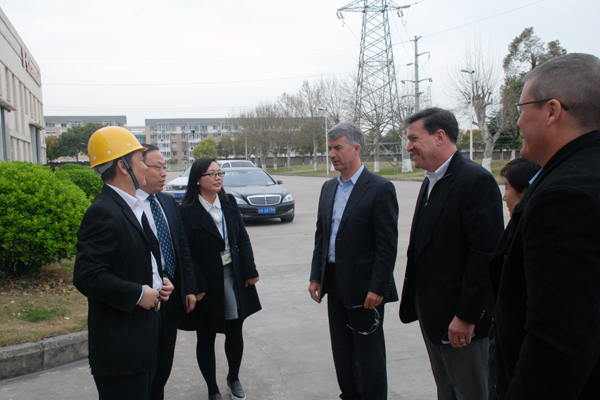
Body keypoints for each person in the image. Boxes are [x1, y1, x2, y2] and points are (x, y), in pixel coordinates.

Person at [490, 53, 600, 399]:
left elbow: (557, 345)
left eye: (523, 109)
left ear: (552, 111)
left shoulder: (565, 198)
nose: (518, 122)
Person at [399, 107, 504, 400]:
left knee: (471, 392)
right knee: (447, 391)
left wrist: (466, 316)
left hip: (461, 324)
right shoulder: (431, 180)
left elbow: (484, 255)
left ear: (440, 136)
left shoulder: (475, 180)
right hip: (433, 317)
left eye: (414, 138)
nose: (408, 147)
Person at [73, 126, 174, 400]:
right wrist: (139, 293)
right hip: (122, 349)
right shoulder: (104, 212)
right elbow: (87, 276)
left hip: (144, 336)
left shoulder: (131, 206)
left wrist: (159, 281)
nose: (145, 167)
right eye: (141, 160)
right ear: (122, 166)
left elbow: (134, 258)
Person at [309, 121, 399, 400]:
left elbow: (387, 245)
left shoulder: (380, 188)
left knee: (369, 355)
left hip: (365, 289)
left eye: (338, 148)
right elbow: (322, 235)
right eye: (329, 149)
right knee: (342, 351)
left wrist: (378, 287)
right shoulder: (328, 188)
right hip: (334, 283)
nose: (332, 154)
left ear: (356, 148)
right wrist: (316, 276)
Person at [178, 157, 261, 400]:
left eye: (220, 173)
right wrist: (196, 285)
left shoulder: (229, 202)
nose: (217, 178)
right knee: (206, 335)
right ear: (197, 179)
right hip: (206, 281)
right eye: (211, 174)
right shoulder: (186, 211)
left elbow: (242, 237)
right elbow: (185, 252)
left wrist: (250, 271)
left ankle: (233, 378)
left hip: (232, 276)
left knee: (235, 330)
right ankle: (212, 388)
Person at [136, 145, 198, 400]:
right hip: (145, 298)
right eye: (157, 167)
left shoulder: (167, 202)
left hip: (171, 294)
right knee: (145, 368)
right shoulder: (130, 206)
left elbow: (182, 247)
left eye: (165, 167)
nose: (164, 173)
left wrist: (189, 287)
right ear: (139, 168)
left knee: (164, 362)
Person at [488, 157, 540, 400]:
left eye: (507, 187)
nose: (504, 196)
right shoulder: (517, 226)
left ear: (526, 191)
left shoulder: (534, 235)